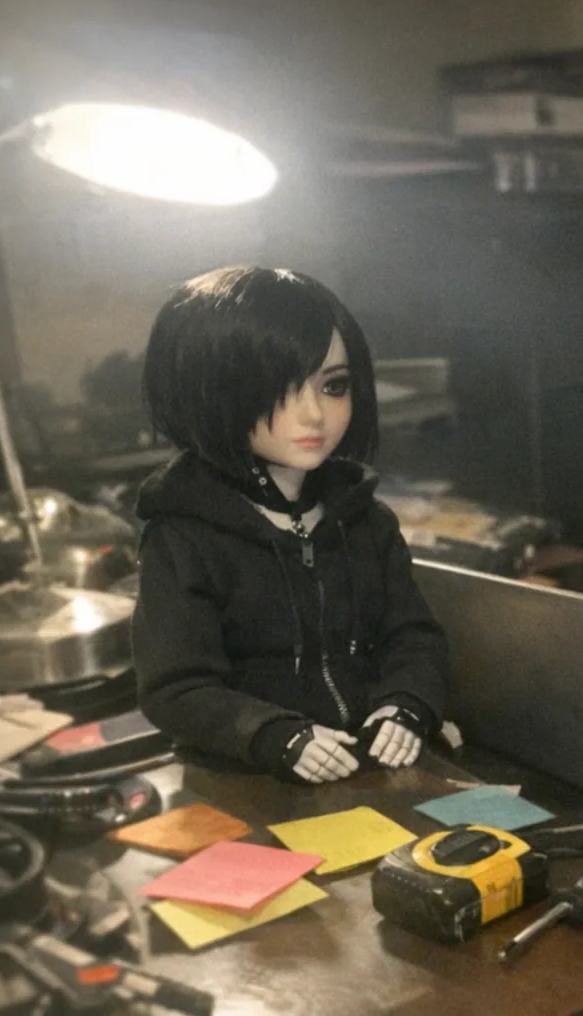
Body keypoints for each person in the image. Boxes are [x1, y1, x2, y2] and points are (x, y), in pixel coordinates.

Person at [133, 265, 449, 784]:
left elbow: (413, 637)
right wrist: (274, 735)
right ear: (208, 391)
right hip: (246, 782)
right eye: (278, 388)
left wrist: (407, 704)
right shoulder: (183, 538)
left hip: (370, 769)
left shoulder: (366, 520)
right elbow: (176, 689)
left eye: (334, 386)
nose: (314, 416)